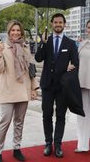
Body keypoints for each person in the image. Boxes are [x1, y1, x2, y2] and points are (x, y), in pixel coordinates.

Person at [0, 20, 39, 162]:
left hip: (23, 89)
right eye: (13, 30)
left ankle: (17, 148)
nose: (16, 33)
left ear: (21, 32)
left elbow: (31, 69)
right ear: (8, 32)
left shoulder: (25, 47)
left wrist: (33, 87)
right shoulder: (3, 47)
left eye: (18, 30)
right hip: (7, 90)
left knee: (19, 122)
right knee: (4, 122)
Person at [35, 13, 79, 158]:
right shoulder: (46, 41)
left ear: (64, 24)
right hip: (47, 85)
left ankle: (58, 145)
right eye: (55, 22)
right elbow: (38, 58)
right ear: (52, 24)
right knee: (46, 115)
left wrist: (68, 69)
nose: (58, 24)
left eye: (60, 22)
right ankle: (48, 143)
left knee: (60, 116)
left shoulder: (70, 43)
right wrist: (42, 41)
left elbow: (75, 64)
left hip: (62, 86)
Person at [75, 20, 90, 152]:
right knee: (82, 115)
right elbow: (75, 61)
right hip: (83, 84)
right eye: (89, 27)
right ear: (86, 29)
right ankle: (82, 145)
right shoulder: (81, 44)